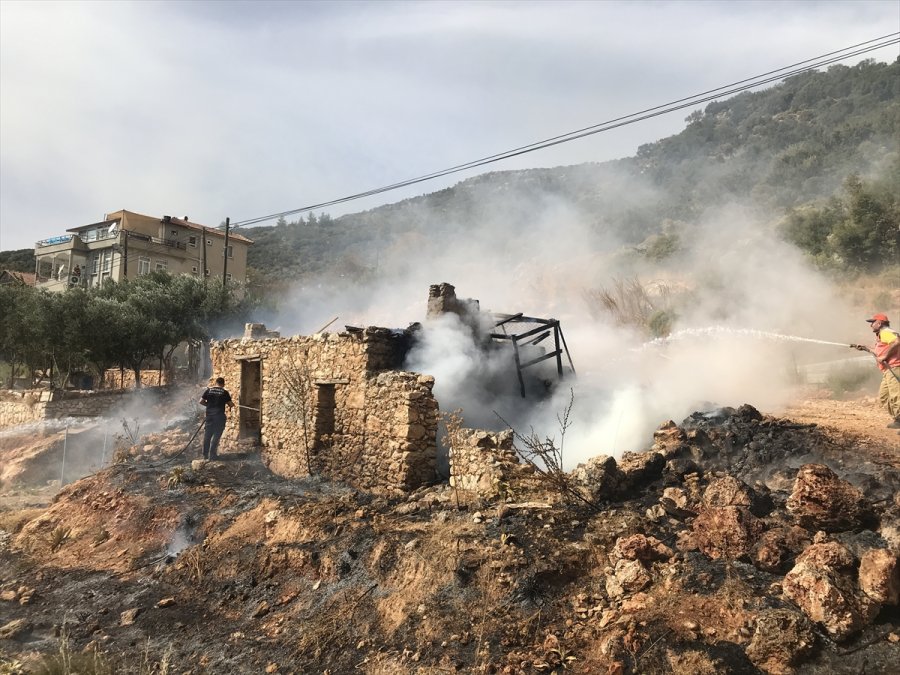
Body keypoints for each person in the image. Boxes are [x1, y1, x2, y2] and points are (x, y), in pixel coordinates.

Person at [852, 313, 900, 429]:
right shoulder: (881, 335)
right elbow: (879, 351)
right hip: (887, 370)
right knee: (884, 396)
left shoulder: (886, 332)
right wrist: (865, 348)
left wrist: (884, 357)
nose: (871, 325)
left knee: (896, 396)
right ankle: (898, 419)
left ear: (879, 323)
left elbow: (897, 342)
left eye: (872, 322)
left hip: (894, 367)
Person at [199, 376, 234, 459]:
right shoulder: (224, 392)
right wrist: (232, 404)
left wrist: (209, 405)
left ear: (216, 383)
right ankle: (212, 455)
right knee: (216, 435)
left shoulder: (209, 390)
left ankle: (205, 455)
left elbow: (201, 401)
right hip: (219, 417)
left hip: (209, 416)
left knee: (207, 436)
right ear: (223, 384)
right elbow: (230, 404)